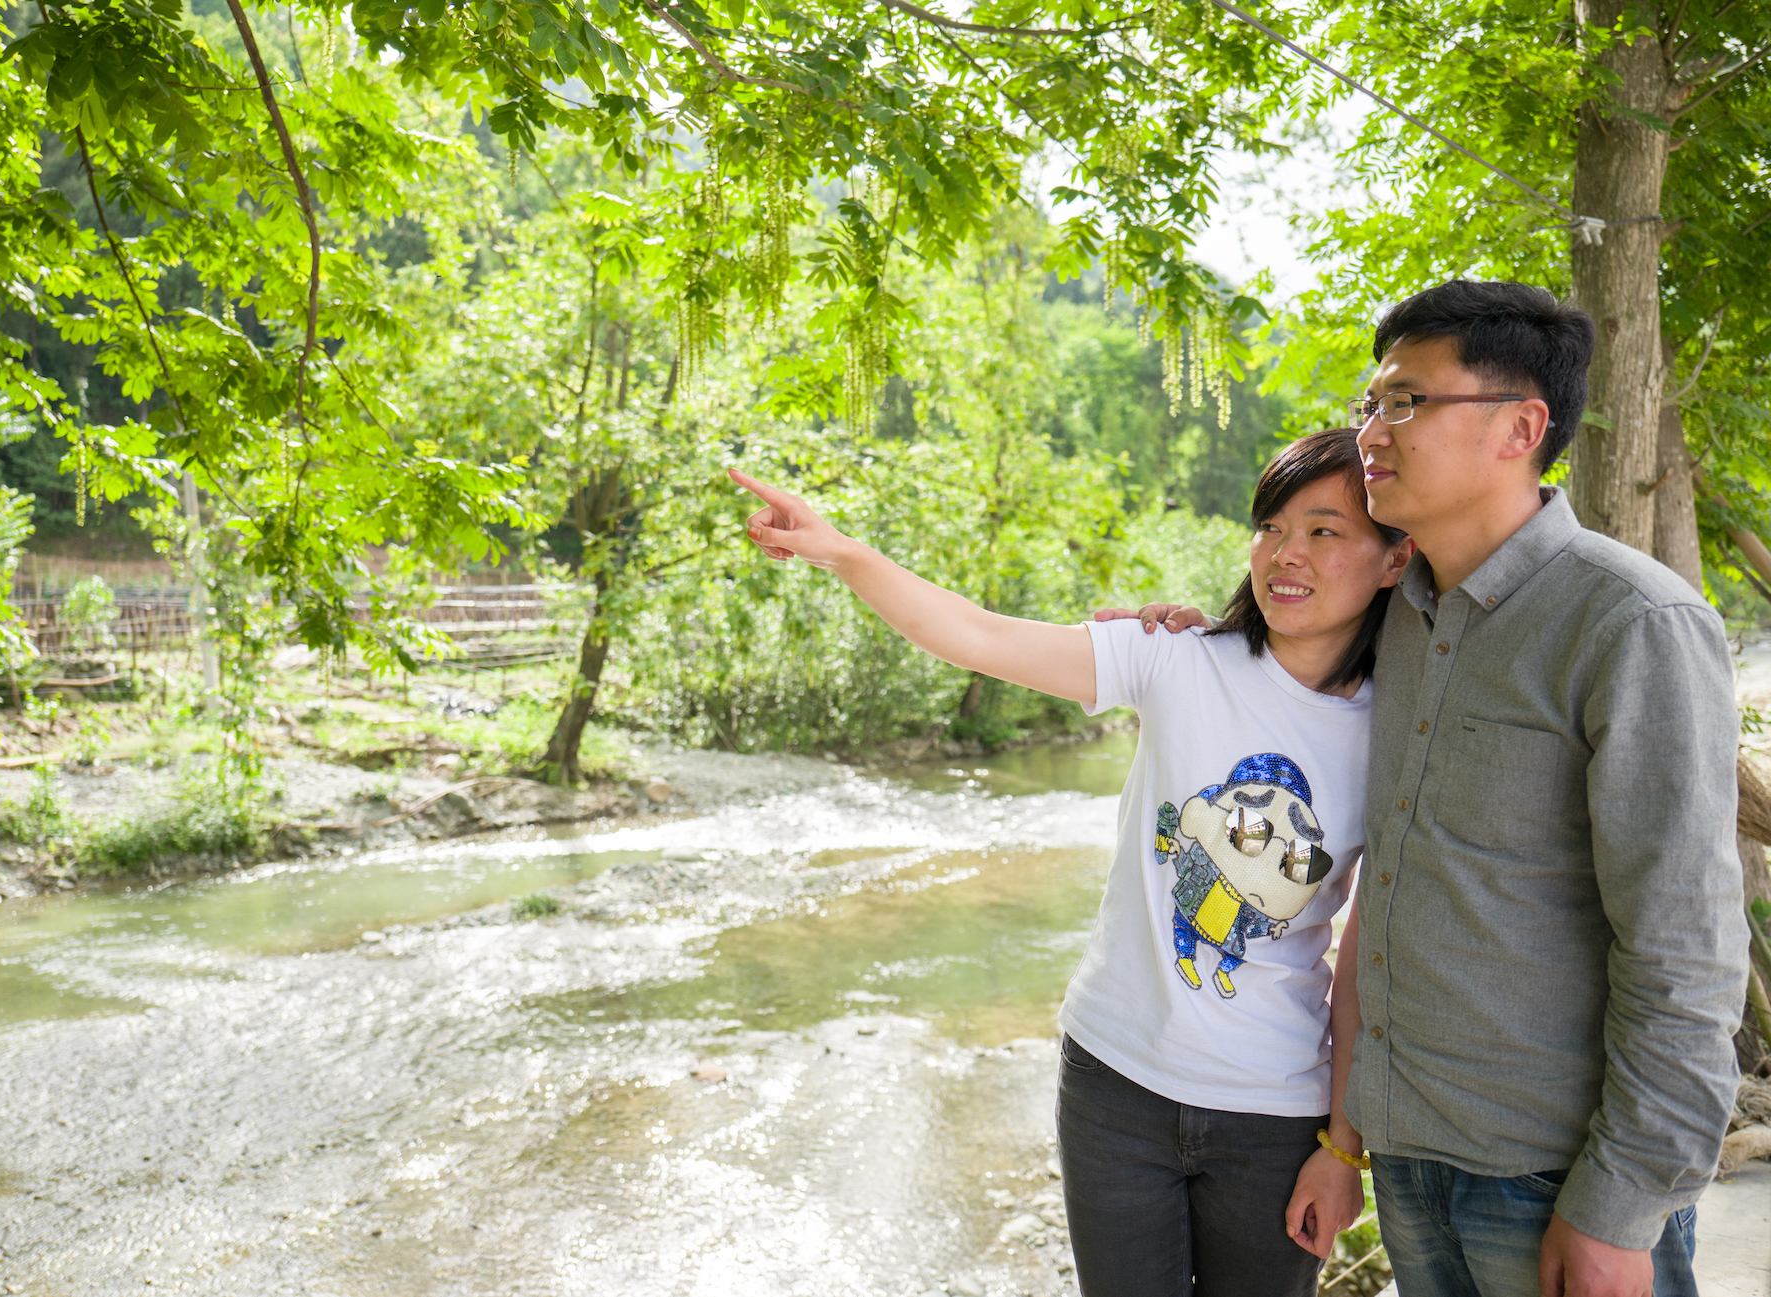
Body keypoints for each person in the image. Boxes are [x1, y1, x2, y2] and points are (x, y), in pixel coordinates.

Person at [1127, 280, 1748, 1297]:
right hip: (1411, 1161)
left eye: (1405, 402)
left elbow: (1683, 947)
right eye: (1369, 402)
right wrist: (1176, 637)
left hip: (1550, 1179)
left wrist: (1621, 1204)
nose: (1370, 429)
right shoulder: (1407, 611)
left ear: (1519, 426)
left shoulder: (1631, 623)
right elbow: (1382, 864)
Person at [732, 426, 1414, 1296]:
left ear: (1394, 560)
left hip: (1276, 1113)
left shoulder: (1397, 733)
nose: (1285, 554)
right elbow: (975, 635)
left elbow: (1366, 952)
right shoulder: (1175, 659)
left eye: (1324, 531)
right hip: (1113, 1086)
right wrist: (844, 552)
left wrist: (1340, 1146)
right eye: (1270, 526)